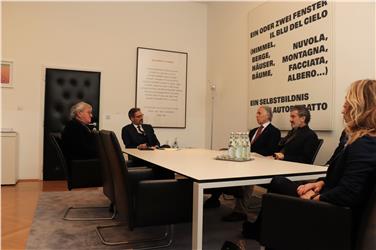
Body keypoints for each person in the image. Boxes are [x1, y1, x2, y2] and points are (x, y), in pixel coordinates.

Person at [241, 79, 376, 241]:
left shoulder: (365, 144)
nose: (342, 110)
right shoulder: (362, 141)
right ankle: (261, 230)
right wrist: (319, 183)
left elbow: (349, 192)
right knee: (278, 182)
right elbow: (345, 176)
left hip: (330, 214)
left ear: (360, 108)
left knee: (277, 184)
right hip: (329, 199)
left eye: (347, 104)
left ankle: (263, 232)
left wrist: (314, 197)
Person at [204, 106, 281, 213]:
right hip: (245, 160)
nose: (256, 115)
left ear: (267, 115)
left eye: (259, 113)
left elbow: (270, 150)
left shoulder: (274, 131)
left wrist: (251, 154)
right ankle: (215, 198)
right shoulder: (253, 131)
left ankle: (240, 211)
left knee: (245, 177)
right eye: (256, 113)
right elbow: (245, 146)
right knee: (222, 169)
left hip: (259, 164)